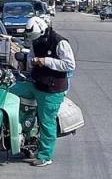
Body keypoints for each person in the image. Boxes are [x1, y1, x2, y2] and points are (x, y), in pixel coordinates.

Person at [11, 16, 75, 168]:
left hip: (52, 89)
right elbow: (32, 56)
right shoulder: (36, 40)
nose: (34, 40)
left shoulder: (60, 42)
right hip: (36, 83)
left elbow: (70, 64)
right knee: (10, 91)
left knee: (46, 122)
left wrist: (45, 61)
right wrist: (26, 59)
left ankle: (45, 156)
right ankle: (24, 134)